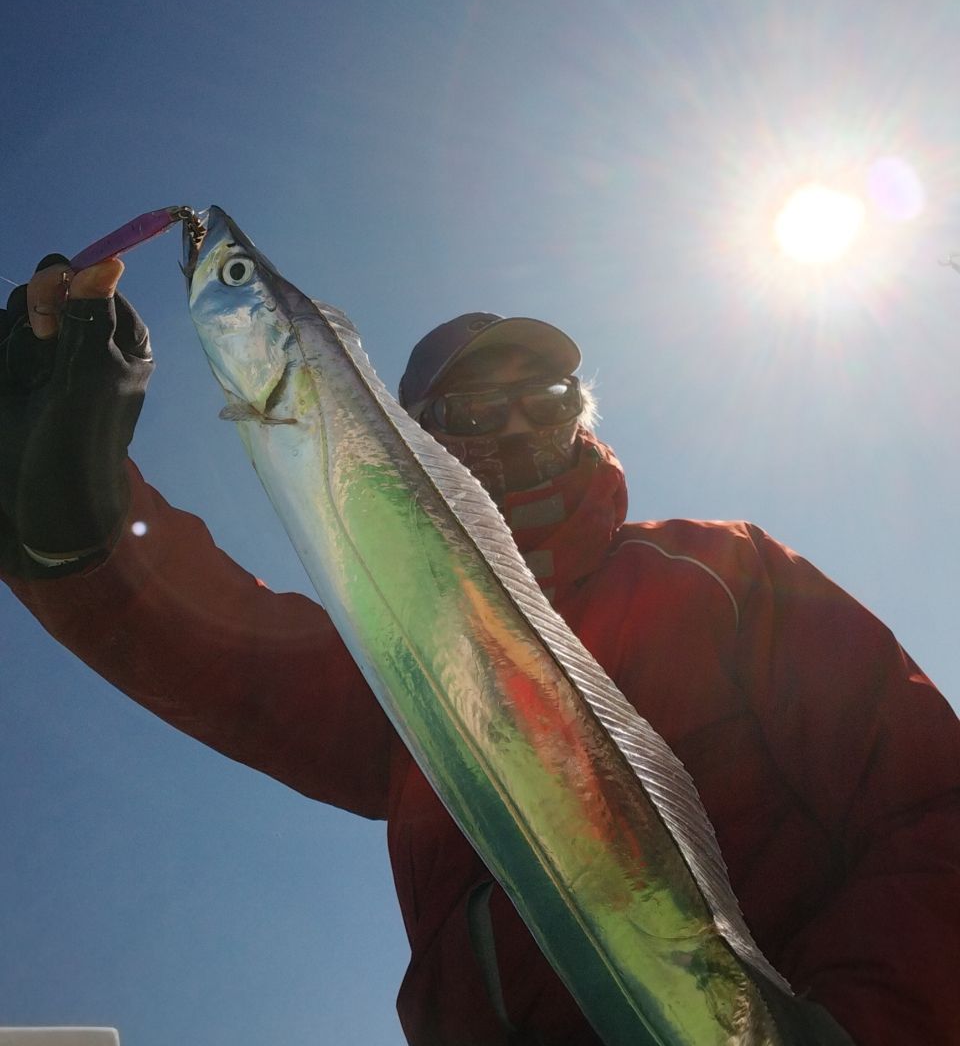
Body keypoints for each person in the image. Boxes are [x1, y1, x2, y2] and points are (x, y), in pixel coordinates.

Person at [2, 256, 959, 1046]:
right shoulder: (409, 647)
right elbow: (235, 660)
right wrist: (73, 520)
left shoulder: (728, 573)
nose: (512, 424)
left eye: (541, 397)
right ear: (410, 443)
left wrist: (860, 1027)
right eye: (468, 411)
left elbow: (929, 802)